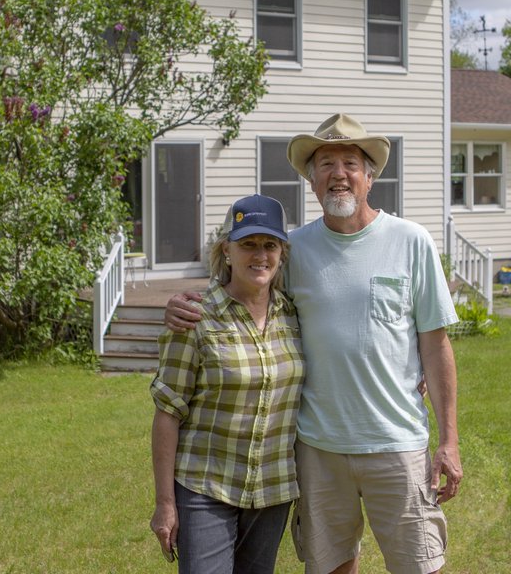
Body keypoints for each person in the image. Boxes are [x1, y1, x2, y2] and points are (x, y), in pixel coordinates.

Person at [166, 114, 461, 574]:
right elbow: (244, 289)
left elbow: (436, 347)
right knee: (331, 567)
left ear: (369, 177)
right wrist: (183, 305)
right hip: (318, 449)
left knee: (420, 566)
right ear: (311, 179)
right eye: (326, 164)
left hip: (397, 442)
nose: (338, 174)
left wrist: (450, 441)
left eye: (350, 163)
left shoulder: (411, 241)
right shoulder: (294, 249)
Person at [150, 193, 305, 574]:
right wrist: (165, 503)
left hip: (272, 490)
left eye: (269, 245)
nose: (260, 255)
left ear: (282, 253)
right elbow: (168, 412)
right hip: (207, 486)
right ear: (227, 250)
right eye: (248, 244)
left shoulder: (295, 315)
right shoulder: (195, 317)